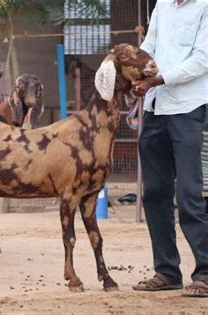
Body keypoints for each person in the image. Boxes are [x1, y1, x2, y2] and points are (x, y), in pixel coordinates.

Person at [131, 0, 208, 297]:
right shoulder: (162, 4)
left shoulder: (203, 6)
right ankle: (166, 271)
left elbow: (202, 59)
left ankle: (204, 272)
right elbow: (149, 46)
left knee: (188, 192)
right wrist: (133, 68)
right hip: (155, 108)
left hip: (188, 107)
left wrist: (157, 80)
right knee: (155, 194)